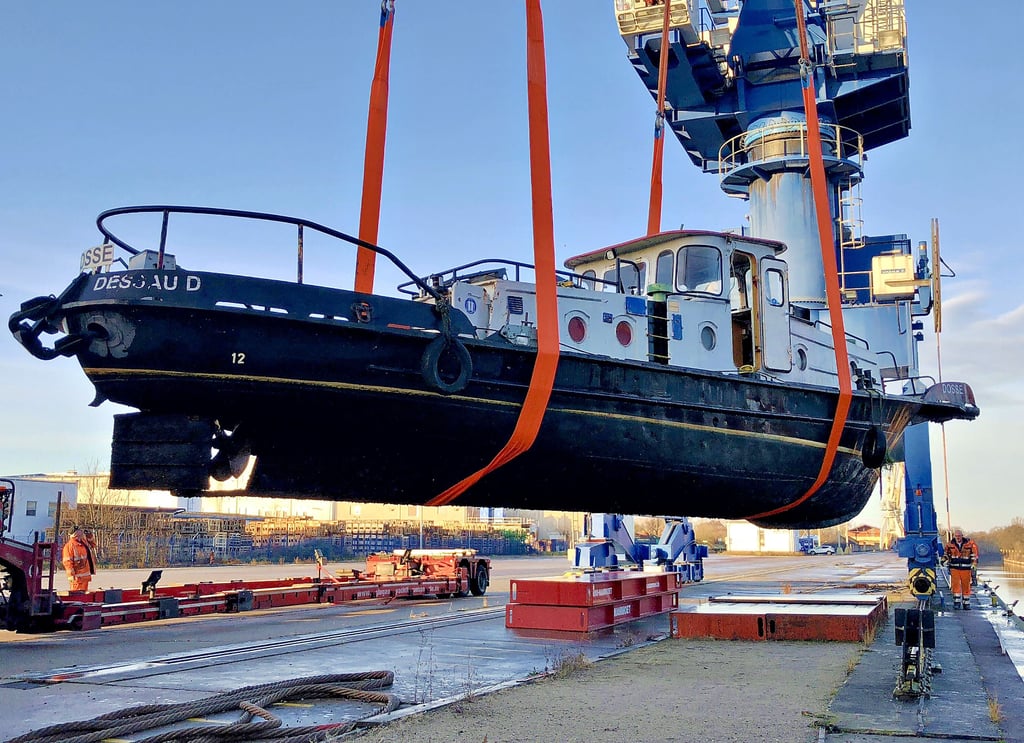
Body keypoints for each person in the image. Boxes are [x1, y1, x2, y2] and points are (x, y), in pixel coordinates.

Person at [944, 528, 979, 610]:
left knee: (966, 586)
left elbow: (974, 555)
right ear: (954, 536)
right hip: (954, 568)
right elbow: (946, 554)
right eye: (956, 536)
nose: (958, 537)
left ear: (962, 536)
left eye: (959, 536)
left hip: (966, 568)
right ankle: (957, 603)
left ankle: (966, 604)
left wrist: (974, 564)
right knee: (955, 586)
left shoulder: (969, 544)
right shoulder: (950, 545)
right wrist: (943, 560)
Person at [62, 527, 97, 593]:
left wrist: (89, 535)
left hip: (84, 576)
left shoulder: (83, 541)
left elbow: (93, 544)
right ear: (75, 533)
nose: (81, 532)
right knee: (77, 595)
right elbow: (67, 563)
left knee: (83, 595)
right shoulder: (69, 546)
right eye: (79, 531)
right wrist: (71, 576)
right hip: (77, 578)